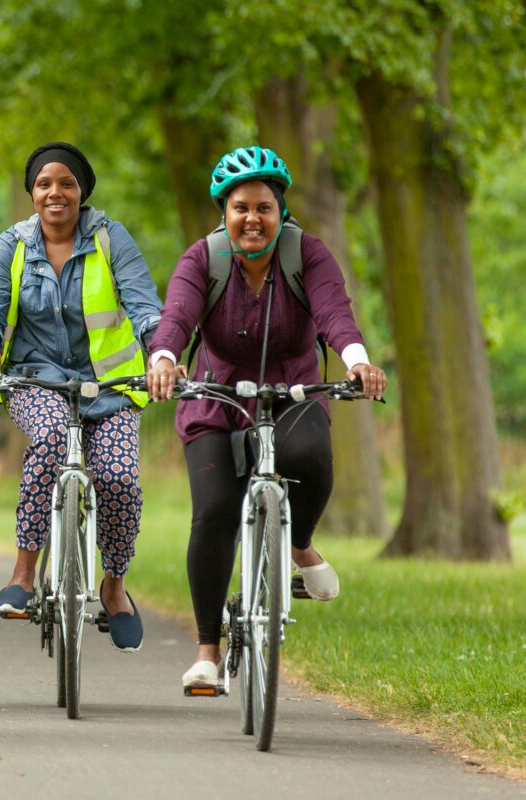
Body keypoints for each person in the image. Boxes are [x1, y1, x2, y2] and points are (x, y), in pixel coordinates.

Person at [145, 145, 387, 688]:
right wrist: (163, 360)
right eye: (240, 208)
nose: (252, 219)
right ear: (223, 213)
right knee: (213, 515)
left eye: (263, 207)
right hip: (215, 394)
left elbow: (335, 315)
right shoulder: (202, 259)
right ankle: (208, 651)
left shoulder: (308, 255)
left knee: (309, 458)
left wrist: (358, 362)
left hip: (294, 388)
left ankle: (298, 544)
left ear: (280, 212)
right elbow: (177, 317)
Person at [0, 142, 163, 652]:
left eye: (67, 183)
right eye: (44, 183)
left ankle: (114, 585)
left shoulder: (111, 239)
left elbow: (145, 308)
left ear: (82, 192)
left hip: (111, 386)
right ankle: (24, 573)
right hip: (36, 379)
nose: (55, 192)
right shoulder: (9, 246)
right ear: (32, 193)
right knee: (50, 437)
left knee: (118, 480)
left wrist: (162, 355)